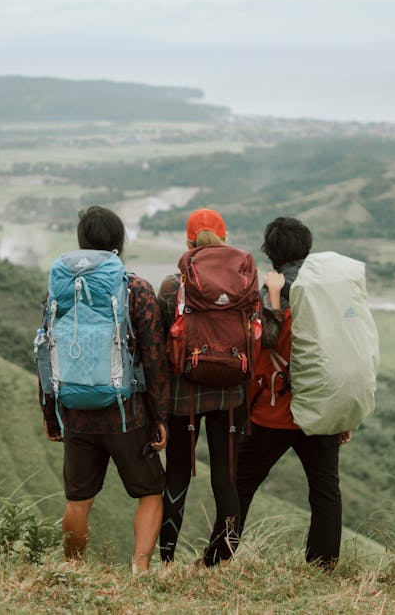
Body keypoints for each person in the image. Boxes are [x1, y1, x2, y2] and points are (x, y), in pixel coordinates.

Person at [39, 205, 170, 573]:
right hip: (126, 414)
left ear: (81, 243)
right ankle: (140, 570)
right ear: (118, 244)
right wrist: (160, 416)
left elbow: (46, 355)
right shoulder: (136, 290)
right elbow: (155, 357)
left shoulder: (59, 295)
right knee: (149, 492)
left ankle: (73, 569)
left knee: (78, 500)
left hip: (76, 414)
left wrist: (51, 413)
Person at [236, 216, 352, 571]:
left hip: (275, 409)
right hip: (321, 406)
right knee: (325, 492)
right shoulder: (330, 290)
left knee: (239, 484)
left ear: (271, 253)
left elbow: (265, 342)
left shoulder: (275, 290)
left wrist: (272, 296)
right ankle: (322, 566)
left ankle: (218, 556)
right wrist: (342, 411)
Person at [156, 208, 249, 566]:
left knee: (177, 475)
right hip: (231, 396)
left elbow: (160, 342)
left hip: (184, 398)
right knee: (225, 480)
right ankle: (218, 561)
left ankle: (165, 561)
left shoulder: (172, 285)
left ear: (188, 242)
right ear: (225, 239)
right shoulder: (245, 286)